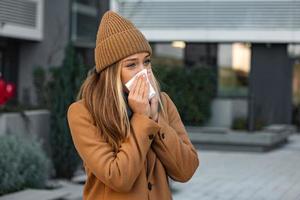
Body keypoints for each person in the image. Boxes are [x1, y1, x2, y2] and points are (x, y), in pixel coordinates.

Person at [67, 10, 199, 200]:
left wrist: (156, 118)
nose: (143, 71)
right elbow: (118, 178)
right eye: (131, 65)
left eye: (146, 62)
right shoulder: (83, 113)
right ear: (111, 72)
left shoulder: (163, 103)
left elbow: (186, 170)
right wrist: (141, 118)